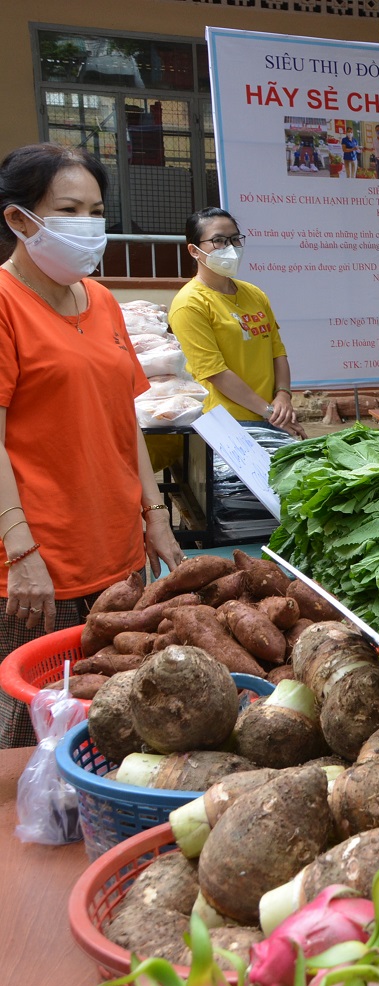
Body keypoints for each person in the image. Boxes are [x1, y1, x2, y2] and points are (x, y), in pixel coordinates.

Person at [0, 143, 184, 747]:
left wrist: (155, 515)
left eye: (97, 209)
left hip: (116, 552)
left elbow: (124, 418)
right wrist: (20, 550)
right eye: (69, 209)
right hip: (40, 566)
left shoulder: (100, 299)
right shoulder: (4, 303)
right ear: (19, 220)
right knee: (34, 733)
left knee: (114, 722)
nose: (88, 225)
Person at [168, 208, 302, 436]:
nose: (230, 247)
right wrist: (269, 412)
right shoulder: (189, 304)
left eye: (234, 239)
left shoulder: (254, 294)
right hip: (226, 422)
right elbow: (215, 372)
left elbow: (277, 351)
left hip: (271, 414)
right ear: (194, 250)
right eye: (218, 240)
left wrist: (283, 394)